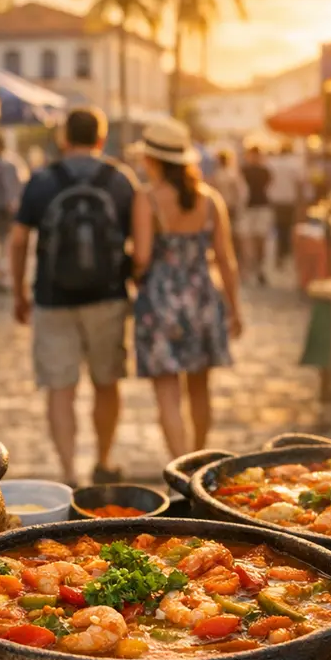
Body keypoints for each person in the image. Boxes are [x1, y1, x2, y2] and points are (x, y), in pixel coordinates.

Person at [10, 107, 136, 486]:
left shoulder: (42, 180)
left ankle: (67, 472)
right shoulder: (119, 181)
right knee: (106, 382)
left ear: (64, 138)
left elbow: (18, 240)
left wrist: (19, 291)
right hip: (108, 297)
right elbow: (141, 243)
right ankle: (103, 460)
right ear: (101, 138)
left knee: (60, 388)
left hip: (52, 298)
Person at [132, 122, 241, 459]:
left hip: (161, 300)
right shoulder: (209, 200)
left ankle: (179, 466)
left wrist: (135, 275)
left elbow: (143, 256)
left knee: (167, 394)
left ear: (153, 160)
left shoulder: (147, 199)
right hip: (202, 300)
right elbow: (226, 260)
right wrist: (235, 309)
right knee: (199, 390)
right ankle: (199, 459)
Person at [0, 131, 27, 288]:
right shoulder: (8, 162)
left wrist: (11, 205)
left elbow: (9, 188)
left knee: (2, 244)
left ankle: (5, 278)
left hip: (2, 210)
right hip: (3, 209)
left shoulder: (4, 163)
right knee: (2, 244)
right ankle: (4, 277)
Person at [237, 146, 273, 285]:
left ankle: (258, 268)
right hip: (249, 207)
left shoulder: (264, 171)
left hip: (260, 206)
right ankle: (250, 268)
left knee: (259, 239)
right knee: (248, 239)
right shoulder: (245, 170)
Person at [268, 142, 304, 264]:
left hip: (276, 200)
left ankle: (280, 254)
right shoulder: (295, 164)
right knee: (288, 228)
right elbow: (299, 184)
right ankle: (286, 253)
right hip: (289, 200)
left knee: (279, 228)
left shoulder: (272, 163)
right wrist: (300, 201)